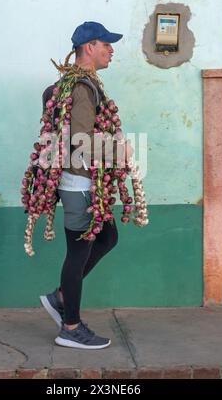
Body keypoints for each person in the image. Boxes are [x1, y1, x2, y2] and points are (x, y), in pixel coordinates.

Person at [39, 21, 133, 350]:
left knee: (107, 237)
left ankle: (61, 297)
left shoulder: (75, 84)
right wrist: (119, 149)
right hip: (79, 182)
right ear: (89, 47)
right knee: (78, 253)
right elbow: (80, 141)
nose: (111, 49)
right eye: (105, 44)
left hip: (82, 181)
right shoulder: (81, 87)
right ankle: (70, 326)